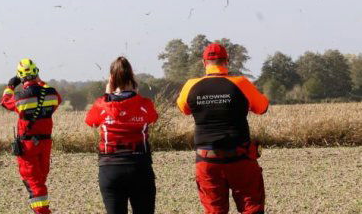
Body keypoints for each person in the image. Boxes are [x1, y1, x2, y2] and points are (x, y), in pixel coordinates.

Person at [176, 43, 269, 214]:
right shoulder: (241, 83)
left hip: (207, 160)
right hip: (240, 158)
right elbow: (262, 108)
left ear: (204, 63)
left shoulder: (191, 85)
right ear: (227, 61)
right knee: (251, 208)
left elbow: (183, 109)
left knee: (214, 211)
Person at [84, 57, 159, 214]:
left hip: (110, 169)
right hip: (140, 167)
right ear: (132, 78)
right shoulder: (144, 104)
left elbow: (90, 121)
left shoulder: (101, 104)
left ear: (111, 79)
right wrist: (135, 95)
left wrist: (106, 95)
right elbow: (153, 117)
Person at [1, 58, 62, 214]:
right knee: (40, 178)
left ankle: (42, 211)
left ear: (21, 77)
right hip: (46, 143)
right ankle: (39, 208)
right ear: (36, 73)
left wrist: (10, 87)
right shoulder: (51, 93)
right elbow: (58, 99)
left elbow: (5, 102)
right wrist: (40, 82)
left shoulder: (21, 97)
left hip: (28, 146)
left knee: (34, 182)